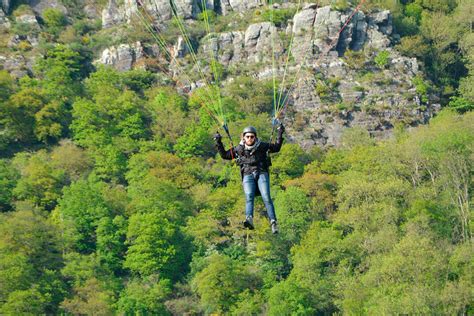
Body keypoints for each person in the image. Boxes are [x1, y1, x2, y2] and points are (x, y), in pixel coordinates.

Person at [214, 124, 285, 234]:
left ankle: (273, 222)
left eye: (252, 137)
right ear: (243, 137)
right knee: (249, 196)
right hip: (247, 174)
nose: (250, 139)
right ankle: (249, 219)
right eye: (248, 137)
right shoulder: (239, 149)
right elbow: (224, 155)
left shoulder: (262, 146)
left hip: (261, 172)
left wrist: (280, 133)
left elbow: (276, 147)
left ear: (255, 137)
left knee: (266, 196)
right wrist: (218, 142)